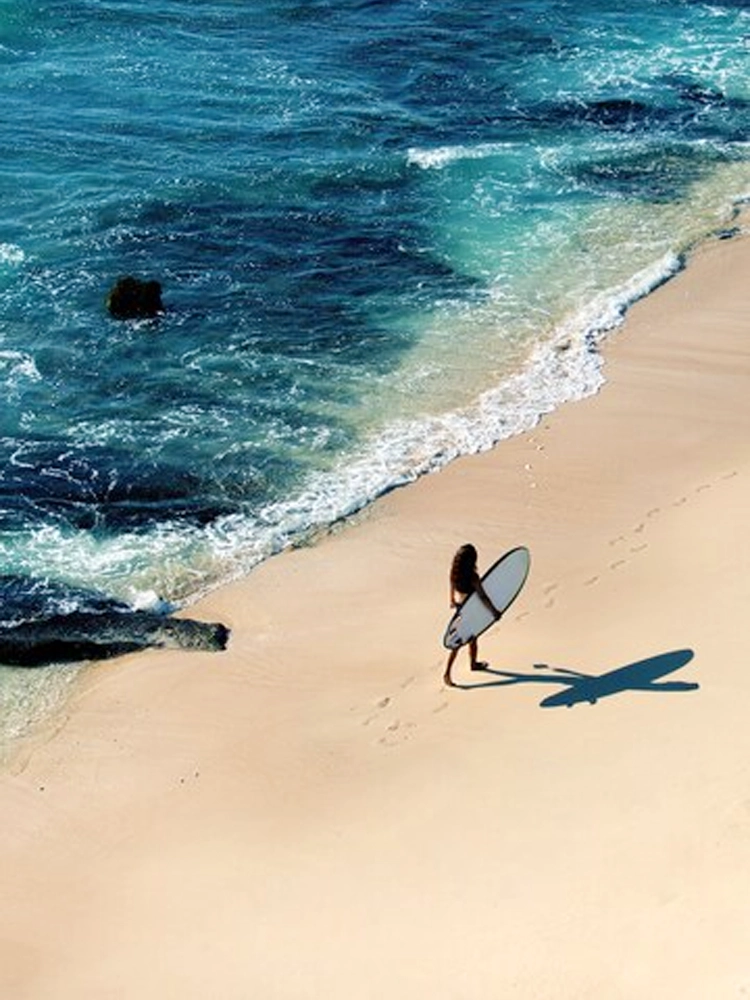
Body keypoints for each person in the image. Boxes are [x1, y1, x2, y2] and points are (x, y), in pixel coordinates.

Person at [443, 544, 500, 687]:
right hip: (471, 612)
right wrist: (494, 611)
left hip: (461, 609)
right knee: (459, 642)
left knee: (472, 638)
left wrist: (452, 599)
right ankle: (447, 673)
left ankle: (473, 663)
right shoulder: (473, 578)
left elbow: (451, 584)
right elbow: (483, 597)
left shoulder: (454, 573)